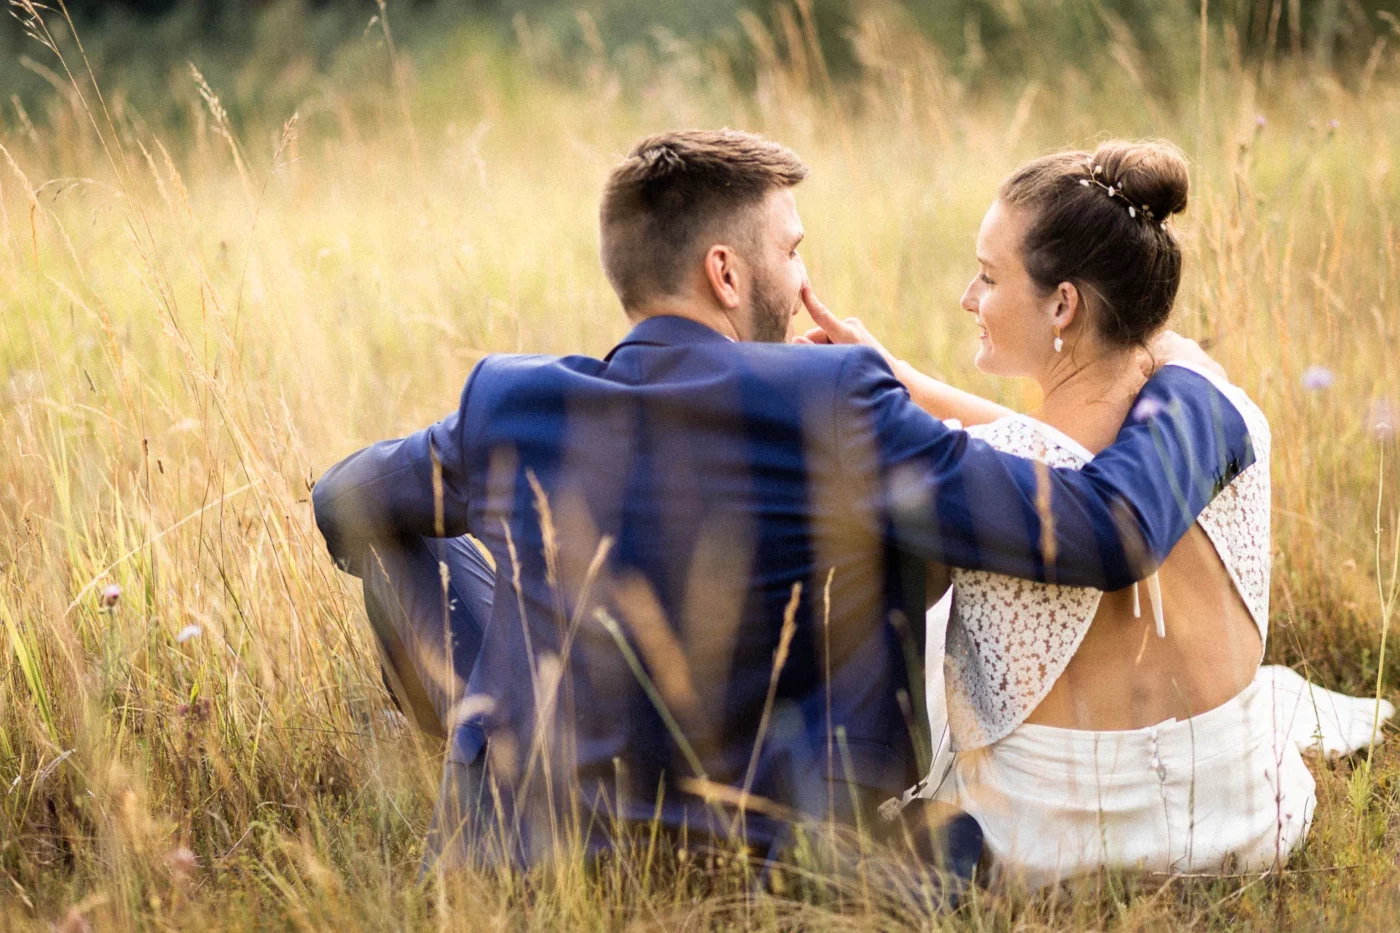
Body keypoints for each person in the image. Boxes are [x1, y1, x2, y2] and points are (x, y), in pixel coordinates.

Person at [310, 130, 1255, 878]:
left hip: (528, 851)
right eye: (793, 252)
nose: (804, 282)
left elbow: (342, 499)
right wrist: (1191, 386)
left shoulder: (513, 402)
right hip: (802, 862)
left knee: (393, 533)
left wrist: (492, 691)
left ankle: (483, 753)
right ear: (726, 273)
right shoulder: (836, 401)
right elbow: (1103, 530)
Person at [801, 138, 1396, 887]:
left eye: (988, 276)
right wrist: (907, 379)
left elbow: (1040, 465)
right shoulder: (1226, 415)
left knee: (928, 617)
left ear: (1063, 304)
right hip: (1247, 819)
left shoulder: (987, 472)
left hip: (1048, 845)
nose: (967, 298)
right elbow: (1060, 460)